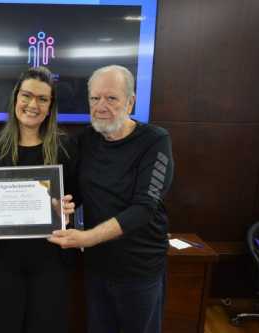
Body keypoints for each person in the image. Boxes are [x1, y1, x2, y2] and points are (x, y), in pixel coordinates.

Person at [49, 65, 174, 333]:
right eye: (95, 98)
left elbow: (144, 208)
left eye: (111, 98)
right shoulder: (85, 139)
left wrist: (87, 238)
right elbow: (78, 192)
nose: (101, 106)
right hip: (97, 267)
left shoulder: (156, 141)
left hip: (139, 268)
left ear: (131, 101)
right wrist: (64, 205)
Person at [0, 66, 78, 333]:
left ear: (50, 106)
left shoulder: (66, 148)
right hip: (1, 262)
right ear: (15, 98)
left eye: (43, 99)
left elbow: (76, 200)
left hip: (50, 261)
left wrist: (68, 207)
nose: (33, 105)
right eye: (27, 96)